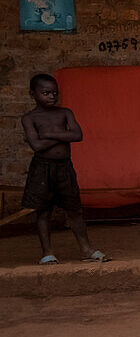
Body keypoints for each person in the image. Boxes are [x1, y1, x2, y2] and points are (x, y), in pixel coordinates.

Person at [20, 73, 109, 265]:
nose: (51, 97)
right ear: (32, 94)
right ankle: (47, 253)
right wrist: (63, 134)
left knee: (75, 210)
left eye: (54, 93)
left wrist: (49, 133)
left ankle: (86, 249)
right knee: (43, 211)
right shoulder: (29, 118)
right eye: (45, 93)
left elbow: (78, 135)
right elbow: (36, 146)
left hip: (64, 168)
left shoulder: (65, 112)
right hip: (42, 169)